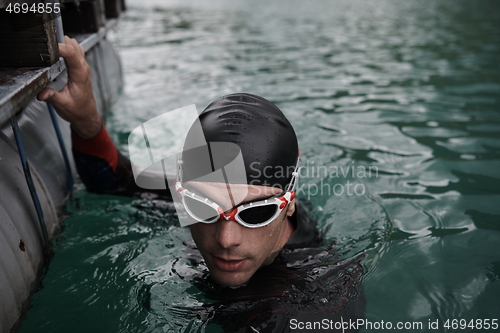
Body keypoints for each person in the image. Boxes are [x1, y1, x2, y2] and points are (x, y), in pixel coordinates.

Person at [38, 37, 365, 332]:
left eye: (255, 214)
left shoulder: (318, 292)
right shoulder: (199, 186)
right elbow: (114, 183)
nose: (226, 239)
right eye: (202, 207)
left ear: (290, 202)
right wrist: (86, 121)